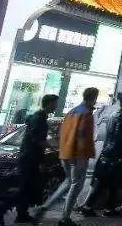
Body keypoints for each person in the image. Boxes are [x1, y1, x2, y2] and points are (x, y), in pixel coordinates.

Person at [35, 87, 98, 226]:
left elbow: (62, 132)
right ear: (94, 98)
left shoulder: (72, 111)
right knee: (77, 185)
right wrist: (84, 154)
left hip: (65, 153)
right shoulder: (86, 113)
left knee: (68, 182)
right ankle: (65, 218)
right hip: (78, 155)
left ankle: (45, 207)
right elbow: (82, 135)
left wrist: (62, 150)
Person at [81, 93, 122, 216]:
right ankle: (108, 209)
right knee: (113, 184)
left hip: (107, 154)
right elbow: (120, 138)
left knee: (103, 183)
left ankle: (89, 207)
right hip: (116, 155)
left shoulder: (113, 115)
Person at [14, 94, 60, 224]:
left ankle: (23, 213)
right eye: (55, 103)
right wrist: (52, 147)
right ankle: (21, 215)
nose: (56, 106)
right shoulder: (39, 119)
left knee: (28, 186)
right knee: (26, 186)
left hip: (30, 157)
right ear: (49, 104)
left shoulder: (38, 117)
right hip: (30, 158)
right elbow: (38, 139)